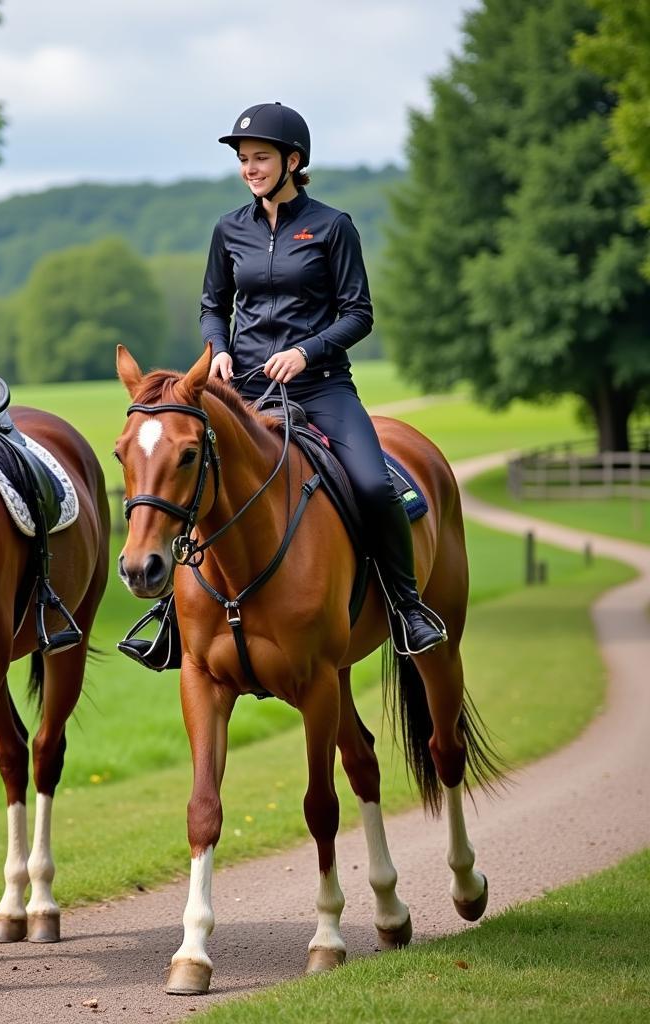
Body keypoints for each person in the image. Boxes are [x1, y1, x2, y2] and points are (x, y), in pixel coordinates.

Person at [201, 101, 446, 655]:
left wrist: (307, 353)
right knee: (189, 482)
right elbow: (213, 305)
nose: (249, 169)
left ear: (293, 160)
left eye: (260, 158)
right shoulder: (228, 230)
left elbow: (359, 313)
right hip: (243, 391)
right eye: (243, 159)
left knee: (373, 486)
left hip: (321, 385)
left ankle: (407, 609)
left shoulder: (333, 227)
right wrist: (216, 348)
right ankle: (176, 616)